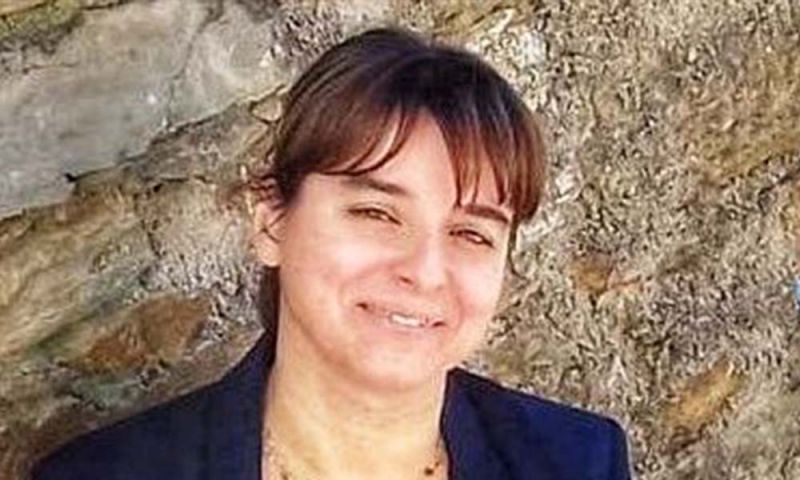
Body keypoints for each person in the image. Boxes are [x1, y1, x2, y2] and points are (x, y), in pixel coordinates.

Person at [32, 27, 631, 480]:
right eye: (377, 214)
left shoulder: (576, 460)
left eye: (471, 234)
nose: (425, 271)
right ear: (271, 221)